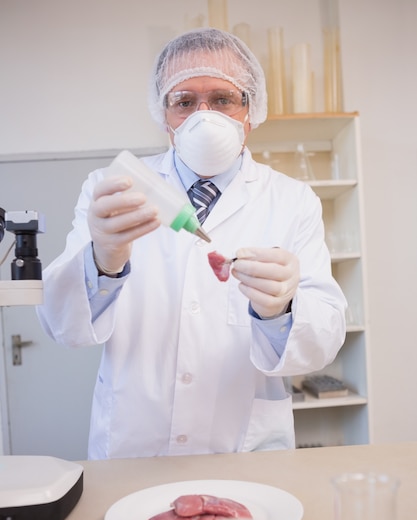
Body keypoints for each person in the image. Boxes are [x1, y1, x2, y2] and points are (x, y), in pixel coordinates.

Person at [37, 27, 346, 460]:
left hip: (244, 450)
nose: (204, 116)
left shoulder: (292, 201)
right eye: (184, 102)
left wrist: (282, 310)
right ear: (165, 117)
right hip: (133, 448)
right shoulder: (111, 190)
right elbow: (60, 325)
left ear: (250, 111)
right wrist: (101, 263)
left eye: (222, 99)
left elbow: (323, 342)